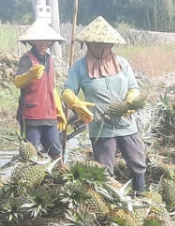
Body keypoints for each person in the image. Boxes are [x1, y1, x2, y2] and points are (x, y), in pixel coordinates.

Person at [61, 17, 148, 194]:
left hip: (126, 124)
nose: (102, 48)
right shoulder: (79, 67)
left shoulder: (122, 63)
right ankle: (109, 203)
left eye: (106, 45)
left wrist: (130, 100)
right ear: (88, 44)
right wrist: (75, 103)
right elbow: (67, 91)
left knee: (137, 162)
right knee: (104, 170)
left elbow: (133, 87)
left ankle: (141, 195)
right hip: (101, 127)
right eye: (97, 45)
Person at [12, 19, 68, 161]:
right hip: (32, 115)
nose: (44, 44)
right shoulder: (27, 59)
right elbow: (17, 82)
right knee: (29, 153)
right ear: (33, 41)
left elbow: (51, 88)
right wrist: (29, 75)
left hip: (49, 115)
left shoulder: (49, 59)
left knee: (56, 151)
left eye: (47, 41)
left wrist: (59, 110)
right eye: (41, 40)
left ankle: (60, 175)